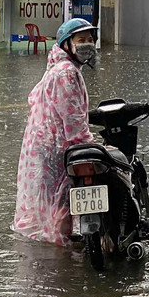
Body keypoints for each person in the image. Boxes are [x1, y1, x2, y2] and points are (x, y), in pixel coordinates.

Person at [12, 18, 99, 247]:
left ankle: (56, 252)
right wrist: (92, 145)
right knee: (62, 208)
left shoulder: (58, 69)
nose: (87, 44)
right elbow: (73, 123)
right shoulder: (66, 73)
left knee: (53, 206)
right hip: (56, 150)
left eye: (90, 39)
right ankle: (61, 253)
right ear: (67, 44)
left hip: (48, 146)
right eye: (81, 40)